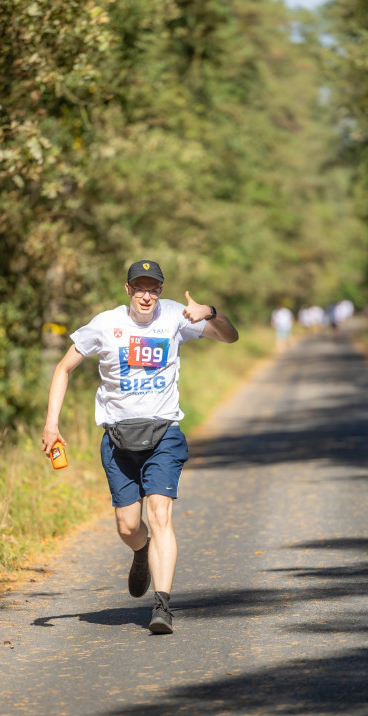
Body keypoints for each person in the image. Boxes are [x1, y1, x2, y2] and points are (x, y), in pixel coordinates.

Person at [41, 260, 239, 635]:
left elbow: (230, 337)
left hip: (164, 433)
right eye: (140, 288)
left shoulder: (176, 318)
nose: (147, 295)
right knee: (128, 525)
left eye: (154, 288)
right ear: (128, 289)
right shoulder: (105, 324)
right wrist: (52, 423)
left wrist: (210, 311)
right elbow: (63, 369)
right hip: (118, 439)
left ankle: (162, 606)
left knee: (160, 515)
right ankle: (140, 550)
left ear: (160, 291)